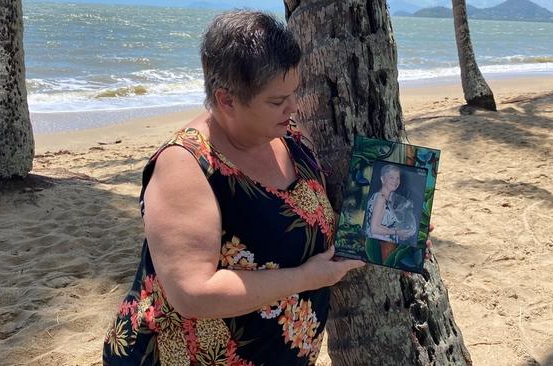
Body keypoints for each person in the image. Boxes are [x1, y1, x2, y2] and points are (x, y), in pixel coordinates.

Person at [102, 11, 366, 365]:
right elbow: (193, 293)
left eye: (294, 92)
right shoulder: (186, 166)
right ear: (226, 100)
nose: (294, 106)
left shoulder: (291, 137)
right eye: (276, 100)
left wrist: (389, 230)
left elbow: (311, 218)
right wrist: (305, 278)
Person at [364, 164, 416, 263]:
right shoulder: (380, 198)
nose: (395, 181)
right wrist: (397, 232)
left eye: (397, 178)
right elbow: (374, 228)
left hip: (385, 246)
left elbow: (383, 225)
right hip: (378, 248)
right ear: (382, 179)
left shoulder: (387, 199)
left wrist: (401, 233)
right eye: (391, 177)